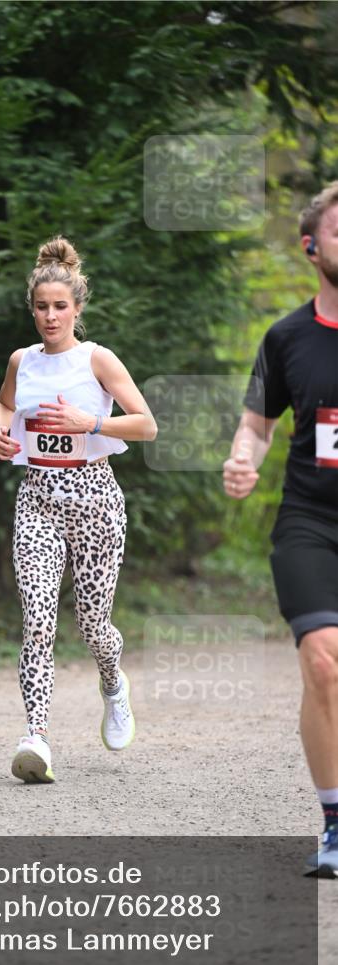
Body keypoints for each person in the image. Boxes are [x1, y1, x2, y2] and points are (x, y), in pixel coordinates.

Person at [0, 237, 157, 783]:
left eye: (60, 306)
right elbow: (6, 404)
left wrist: (91, 424)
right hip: (38, 498)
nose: (50, 316)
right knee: (36, 621)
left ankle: (113, 680)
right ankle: (35, 737)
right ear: (32, 310)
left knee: (91, 624)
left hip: (96, 502)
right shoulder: (23, 361)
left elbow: (145, 424)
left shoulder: (97, 359)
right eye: (41, 307)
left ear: (77, 309)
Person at [223, 181, 338, 876]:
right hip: (310, 521)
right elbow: (255, 425)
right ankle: (333, 822)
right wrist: (242, 459)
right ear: (310, 246)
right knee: (322, 661)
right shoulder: (287, 337)